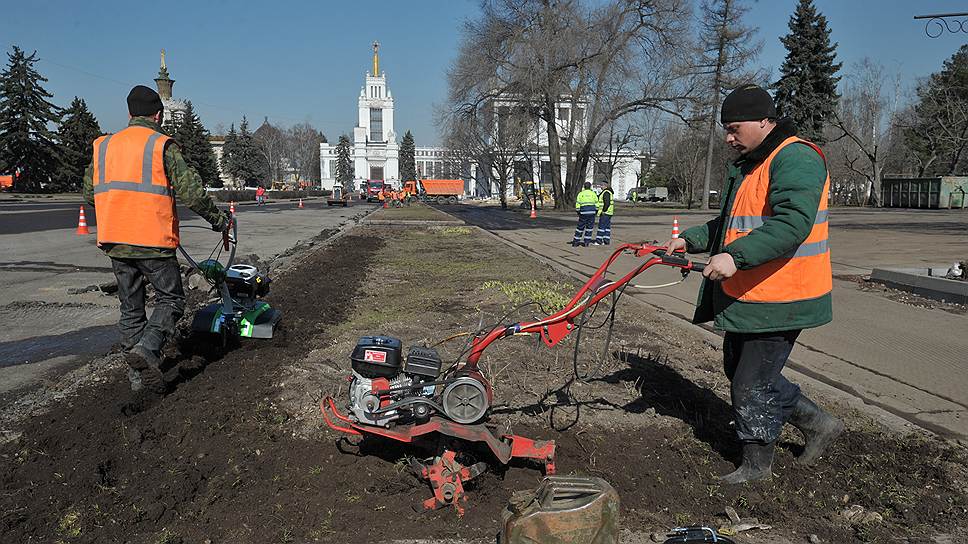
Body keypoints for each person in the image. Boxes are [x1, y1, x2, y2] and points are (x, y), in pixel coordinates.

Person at [663, 84, 843, 484]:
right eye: (725, 130)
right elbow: (730, 224)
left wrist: (734, 257)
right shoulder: (751, 164)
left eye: (733, 128)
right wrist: (689, 240)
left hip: (783, 294)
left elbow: (792, 224)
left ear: (765, 120)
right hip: (750, 292)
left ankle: (757, 467)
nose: (728, 138)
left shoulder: (796, 157)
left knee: (750, 383)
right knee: (738, 370)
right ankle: (819, 424)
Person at [83, 85, 230, 396]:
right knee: (172, 300)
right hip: (152, 240)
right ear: (158, 115)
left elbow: (89, 194)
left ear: (129, 113)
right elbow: (191, 192)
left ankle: (138, 382)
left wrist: (119, 206)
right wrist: (219, 220)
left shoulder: (104, 147)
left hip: (116, 242)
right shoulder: (161, 145)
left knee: (131, 309)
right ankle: (148, 350)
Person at [571, 182, 598, 247]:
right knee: (589, 227)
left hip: (583, 212)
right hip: (592, 212)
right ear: (590, 187)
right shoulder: (593, 194)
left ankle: (576, 242)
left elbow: (578, 204)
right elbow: (597, 204)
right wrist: (596, 211)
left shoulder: (581, 194)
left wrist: (578, 212)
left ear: (584, 186)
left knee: (580, 227)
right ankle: (586, 242)